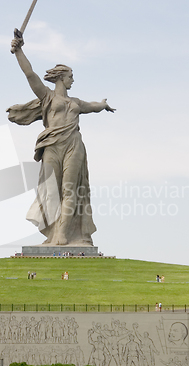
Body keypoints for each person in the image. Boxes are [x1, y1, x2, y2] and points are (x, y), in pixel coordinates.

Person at [8, 34, 115, 246]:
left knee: (70, 189)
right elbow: (30, 75)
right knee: (50, 191)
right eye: (71, 76)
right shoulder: (47, 97)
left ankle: (63, 234)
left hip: (73, 145)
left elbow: (93, 106)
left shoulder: (76, 102)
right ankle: (52, 233)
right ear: (61, 77)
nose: (73, 80)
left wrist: (103, 104)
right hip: (52, 146)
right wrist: (19, 50)